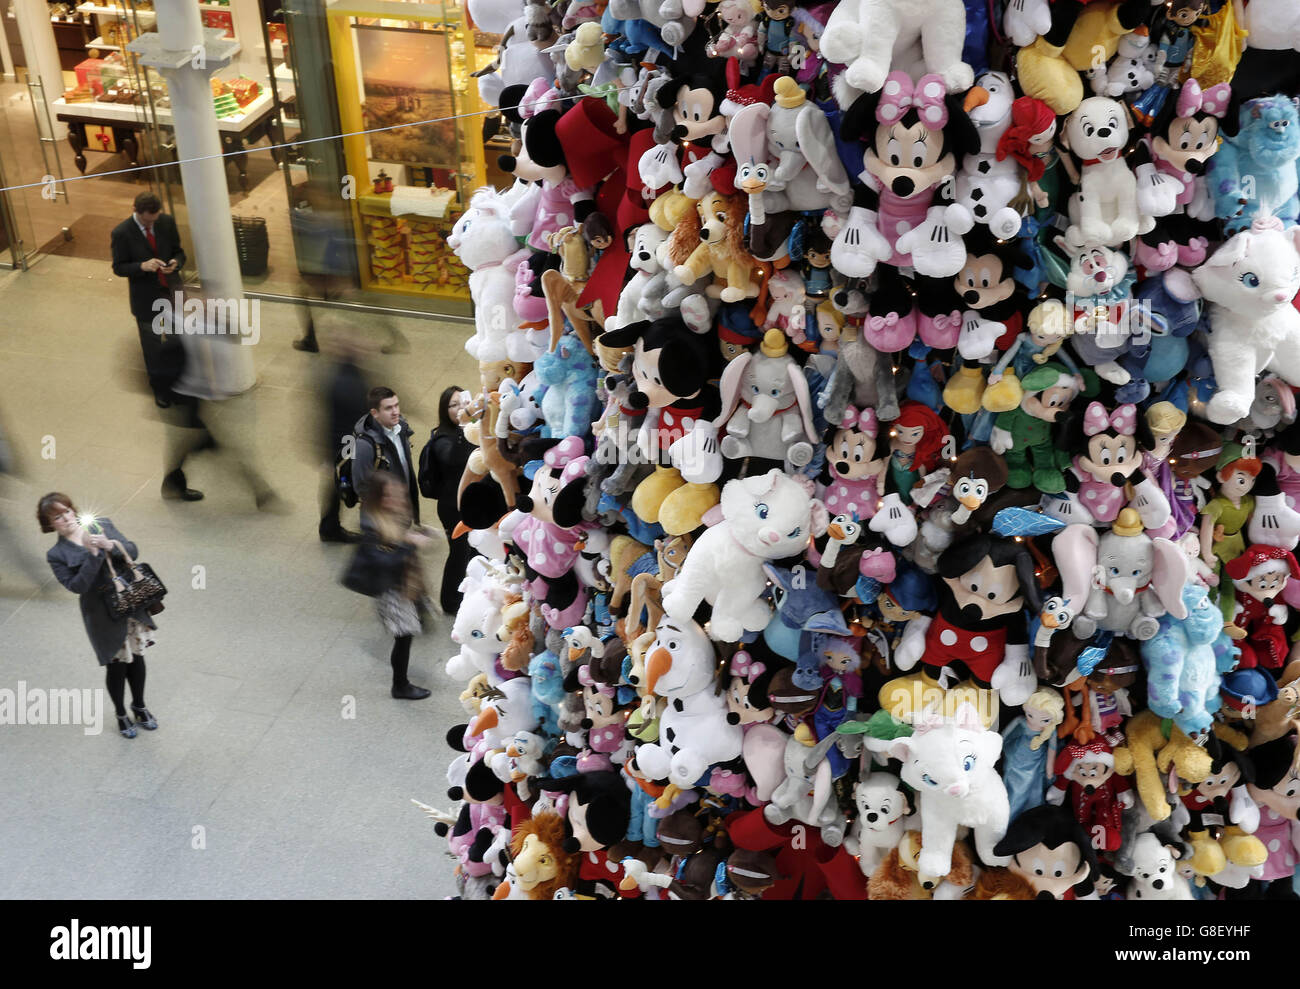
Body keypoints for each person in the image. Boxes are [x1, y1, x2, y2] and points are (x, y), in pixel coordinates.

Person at [110, 190, 211, 501]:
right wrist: (143, 266)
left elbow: (179, 252)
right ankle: (162, 392)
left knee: (178, 342)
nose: (153, 222)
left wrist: (172, 264)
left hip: (171, 293)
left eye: (155, 218)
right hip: (146, 301)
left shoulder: (166, 223)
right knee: (154, 349)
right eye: (147, 219)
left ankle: (177, 385)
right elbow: (118, 266)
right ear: (138, 213)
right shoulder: (122, 232)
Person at [40, 493, 159, 739]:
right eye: (58, 517)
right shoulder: (56, 554)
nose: (66, 518)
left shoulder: (101, 524)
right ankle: (120, 713)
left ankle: (139, 705)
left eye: (68, 511)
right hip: (101, 614)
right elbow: (77, 586)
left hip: (129, 602)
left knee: (136, 658)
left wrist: (111, 546)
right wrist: (93, 555)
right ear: (50, 524)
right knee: (116, 666)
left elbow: (133, 551)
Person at [348, 471, 435, 700]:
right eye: (390, 496)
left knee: (406, 635)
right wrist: (410, 545)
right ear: (378, 498)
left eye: (398, 495)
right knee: (403, 637)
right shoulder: (372, 525)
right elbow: (384, 561)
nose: (397, 500)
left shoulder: (389, 515)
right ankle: (400, 685)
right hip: (392, 592)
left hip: (403, 586)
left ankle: (401, 682)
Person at [421, 386, 477, 613]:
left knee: (475, 550)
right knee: (459, 552)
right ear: (445, 411)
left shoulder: (473, 430)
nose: (459, 408)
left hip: (470, 501)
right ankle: (450, 601)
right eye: (453, 405)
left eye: (463, 402)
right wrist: (466, 427)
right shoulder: (442, 438)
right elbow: (453, 459)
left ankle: (470, 592)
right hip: (452, 507)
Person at [318, 334, 370, 543]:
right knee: (350, 481)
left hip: (340, 441)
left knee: (337, 483)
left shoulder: (340, 375)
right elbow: (358, 415)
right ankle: (333, 527)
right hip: (347, 442)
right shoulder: (348, 381)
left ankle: (330, 526)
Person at [354, 386, 420, 524]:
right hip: (383, 520)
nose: (395, 412)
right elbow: (360, 485)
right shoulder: (364, 446)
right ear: (375, 413)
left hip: (402, 508)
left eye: (396, 405)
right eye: (388, 408)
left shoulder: (401, 428)